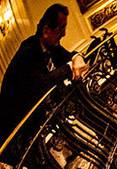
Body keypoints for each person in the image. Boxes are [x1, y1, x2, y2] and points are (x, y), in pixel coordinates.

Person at [0, 4, 89, 149]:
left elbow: (69, 56)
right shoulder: (28, 51)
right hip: (16, 129)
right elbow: (42, 83)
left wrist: (77, 57)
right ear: (46, 30)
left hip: (40, 118)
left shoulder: (51, 46)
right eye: (61, 28)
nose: (64, 33)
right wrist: (69, 66)